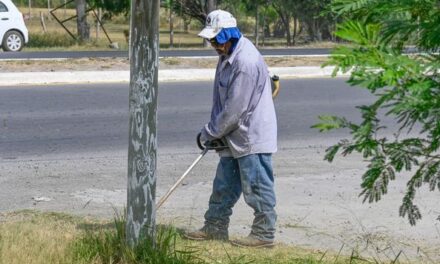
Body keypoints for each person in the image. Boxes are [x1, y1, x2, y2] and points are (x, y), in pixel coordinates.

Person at [184, 9, 278, 248]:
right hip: (231, 132)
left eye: (217, 39)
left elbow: (234, 110)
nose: (214, 44)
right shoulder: (228, 53)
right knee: (224, 184)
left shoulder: (245, 62)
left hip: (250, 135)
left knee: (256, 185)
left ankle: (264, 234)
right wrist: (217, 131)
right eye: (211, 40)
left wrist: (209, 132)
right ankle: (215, 226)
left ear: (231, 34)